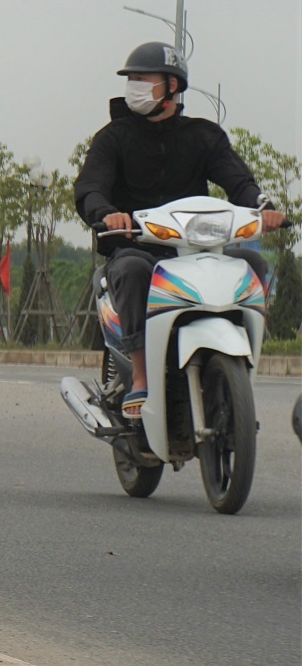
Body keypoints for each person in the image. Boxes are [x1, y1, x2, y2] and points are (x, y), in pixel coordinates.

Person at [74, 41, 278, 419]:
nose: (133, 85)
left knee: (253, 262)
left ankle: (239, 362)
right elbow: (91, 187)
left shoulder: (204, 136)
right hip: (138, 247)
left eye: (142, 78)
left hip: (197, 249)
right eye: (130, 78)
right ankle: (140, 372)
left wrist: (262, 207)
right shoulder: (112, 138)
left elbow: (238, 181)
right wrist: (107, 213)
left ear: (171, 85)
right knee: (132, 270)